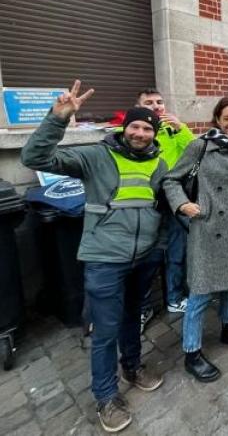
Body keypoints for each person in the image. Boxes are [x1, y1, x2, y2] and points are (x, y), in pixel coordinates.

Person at [21, 81, 166, 433]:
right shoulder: (95, 155)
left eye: (148, 128)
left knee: (133, 317)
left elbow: (162, 205)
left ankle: (132, 367)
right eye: (135, 125)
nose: (141, 133)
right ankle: (105, 397)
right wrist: (57, 119)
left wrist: (157, 247)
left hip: (143, 257)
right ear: (124, 127)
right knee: (105, 330)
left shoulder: (158, 164)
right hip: (105, 260)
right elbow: (34, 158)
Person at [163, 97, 228, 382]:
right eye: (227, 118)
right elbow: (171, 180)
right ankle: (192, 352)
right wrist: (182, 204)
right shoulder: (200, 146)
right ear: (217, 119)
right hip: (207, 229)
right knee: (200, 293)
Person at [136, 88, 193, 323]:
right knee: (145, 258)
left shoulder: (173, 129)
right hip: (146, 205)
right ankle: (142, 308)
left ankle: (175, 298)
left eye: (159, 102)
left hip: (174, 201)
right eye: (149, 103)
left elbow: (194, 152)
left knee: (177, 253)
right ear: (138, 107)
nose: (157, 106)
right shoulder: (132, 132)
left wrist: (181, 129)